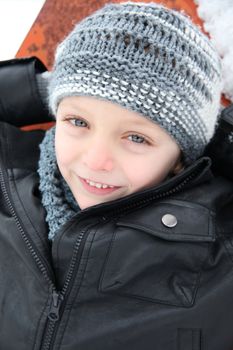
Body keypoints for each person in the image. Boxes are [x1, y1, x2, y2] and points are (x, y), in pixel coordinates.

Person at [0, 2, 233, 349]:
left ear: (181, 156)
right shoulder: (11, 175)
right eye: (78, 122)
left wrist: (217, 139)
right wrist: (46, 83)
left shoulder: (221, 258)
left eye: (137, 137)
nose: (96, 161)